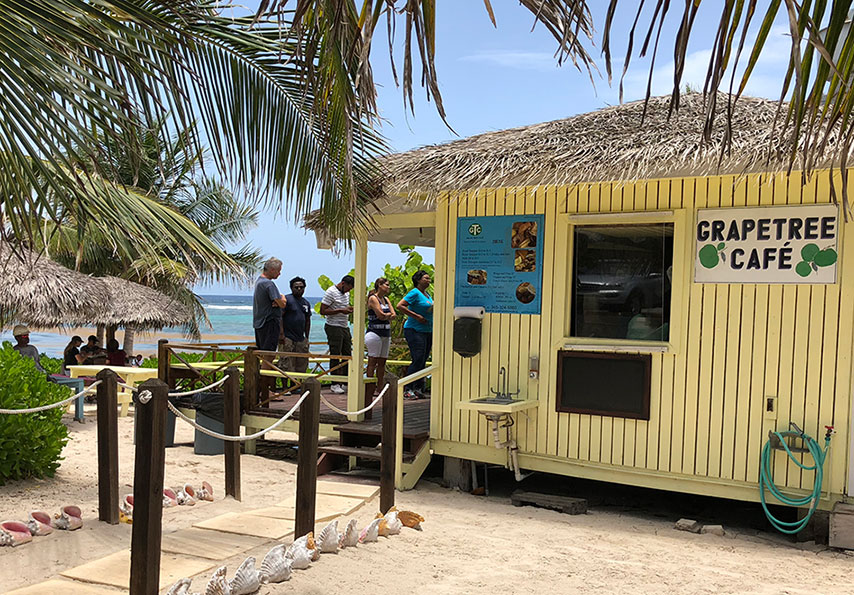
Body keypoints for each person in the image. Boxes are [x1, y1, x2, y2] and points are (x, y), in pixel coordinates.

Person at [397, 270, 433, 399]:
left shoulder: (427, 294)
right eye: (426, 278)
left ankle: (418, 388)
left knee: (423, 360)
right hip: (414, 330)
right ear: (418, 280)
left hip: (427, 331)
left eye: (429, 278)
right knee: (417, 358)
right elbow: (400, 306)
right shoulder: (414, 293)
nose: (428, 280)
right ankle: (408, 388)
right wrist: (417, 316)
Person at [320, 274, 354, 394]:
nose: (349, 291)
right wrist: (340, 310)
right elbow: (323, 311)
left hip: (344, 326)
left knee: (347, 353)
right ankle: (334, 383)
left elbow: (343, 306)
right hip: (333, 326)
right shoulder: (331, 292)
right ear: (343, 283)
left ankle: (345, 381)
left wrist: (348, 309)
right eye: (348, 288)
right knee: (335, 354)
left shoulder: (346, 293)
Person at [365, 277, 396, 392]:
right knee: (372, 360)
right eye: (386, 285)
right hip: (374, 333)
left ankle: (380, 387)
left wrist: (386, 315)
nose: (388, 287)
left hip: (385, 333)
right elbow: (380, 315)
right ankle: (369, 387)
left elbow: (393, 314)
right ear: (379, 285)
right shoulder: (373, 298)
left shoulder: (386, 299)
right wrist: (387, 315)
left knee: (382, 362)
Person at [253, 258, 287, 351]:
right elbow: (282, 304)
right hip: (269, 322)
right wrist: (283, 297)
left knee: (263, 350)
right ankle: (266, 366)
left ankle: (264, 366)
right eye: (278, 271)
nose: (279, 274)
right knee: (269, 352)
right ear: (272, 270)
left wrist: (277, 300)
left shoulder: (259, 282)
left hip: (259, 322)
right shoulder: (269, 284)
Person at [280, 276, 312, 375]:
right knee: (286, 363)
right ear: (291, 288)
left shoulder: (306, 303)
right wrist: (281, 335)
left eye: (301, 287)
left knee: (301, 364)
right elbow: (279, 317)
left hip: (300, 338)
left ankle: (297, 386)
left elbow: (307, 320)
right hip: (287, 337)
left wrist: (307, 337)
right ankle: (286, 388)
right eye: (296, 287)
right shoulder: (286, 300)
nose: (299, 289)